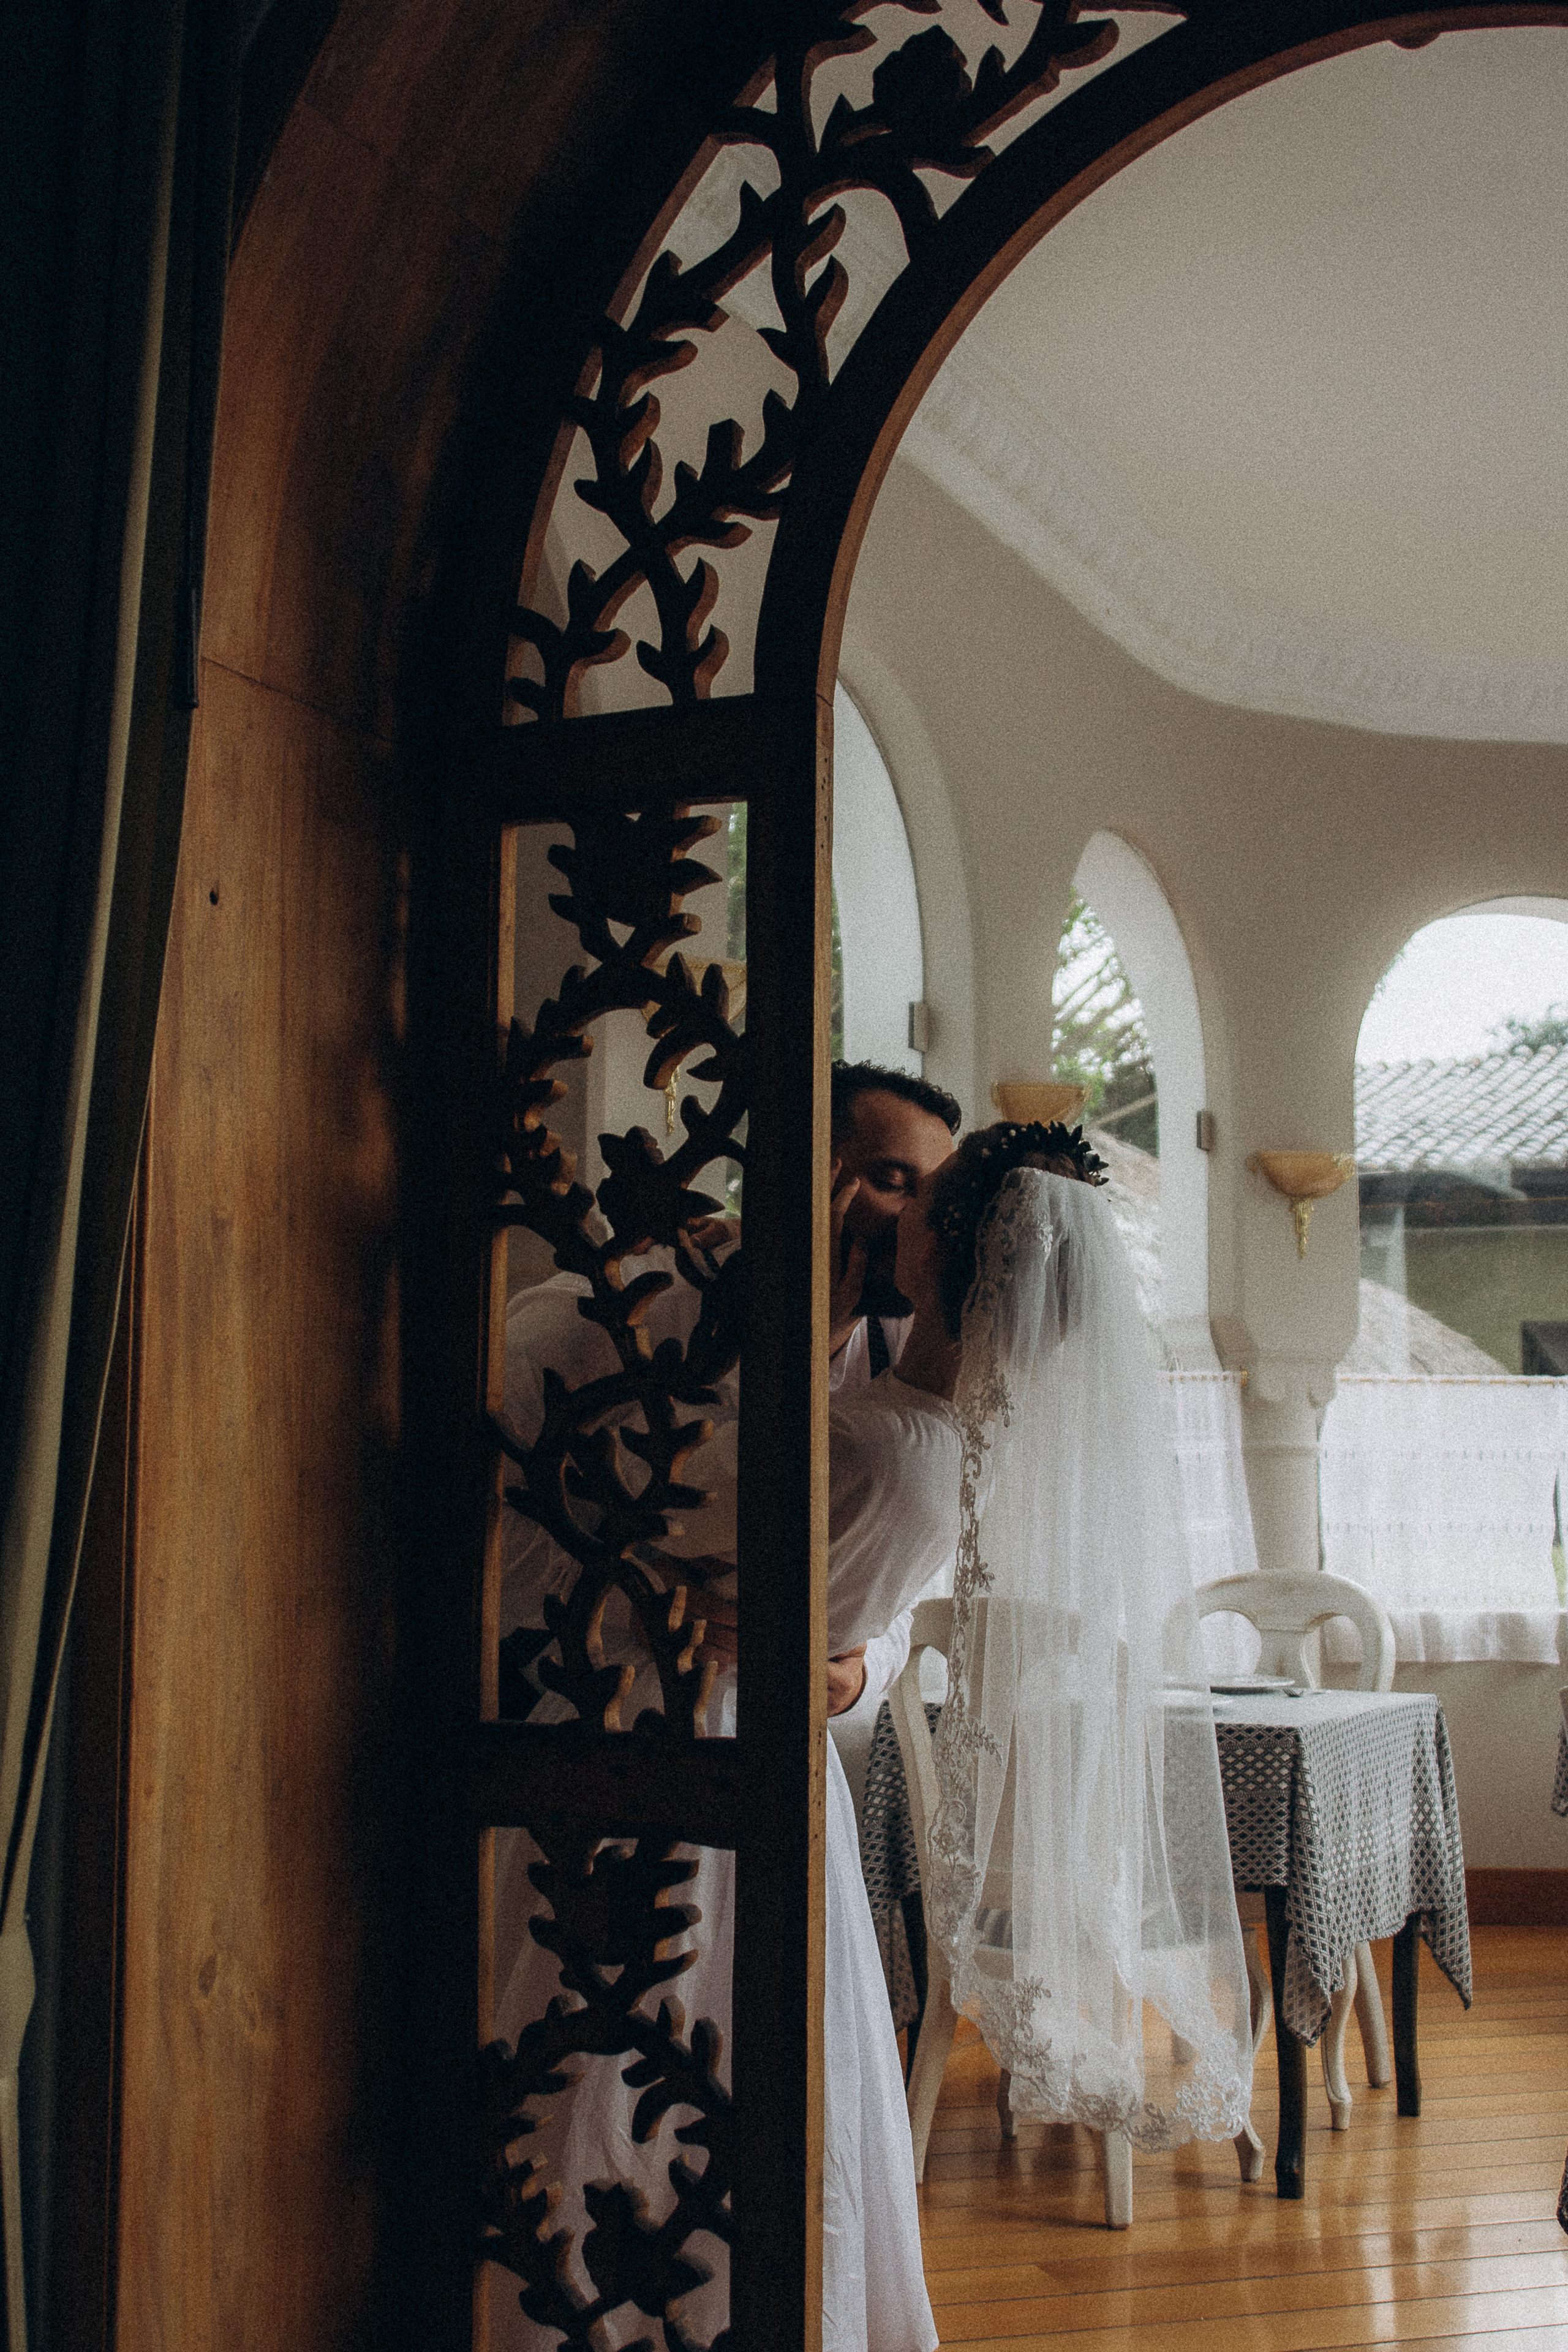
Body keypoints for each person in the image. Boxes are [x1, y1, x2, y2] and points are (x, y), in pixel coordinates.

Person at [874, 1122, 1256, 2154]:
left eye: (915, 1193)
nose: (894, 1209)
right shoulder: (956, 1438)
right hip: (1062, 1865)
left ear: (945, 1246)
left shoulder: (896, 1440)